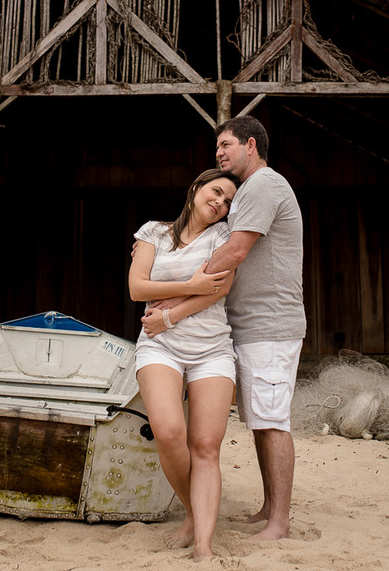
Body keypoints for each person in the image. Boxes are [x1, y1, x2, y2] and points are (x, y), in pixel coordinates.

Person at [129, 168, 239, 560]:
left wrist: (170, 314)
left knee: (206, 446)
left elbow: (220, 288)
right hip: (160, 345)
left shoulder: (224, 237)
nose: (220, 203)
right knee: (169, 431)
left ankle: (204, 547)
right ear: (196, 188)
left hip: (212, 348)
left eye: (227, 202)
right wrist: (189, 286)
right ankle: (194, 514)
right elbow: (137, 288)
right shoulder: (153, 233)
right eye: (216, 192)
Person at [205, 115, 305, 541]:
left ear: (251, 144)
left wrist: (183, 283)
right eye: (216, 149)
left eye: (225, 145)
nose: (219, 154)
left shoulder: (265, 185)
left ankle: (280, 522)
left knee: (272, 420)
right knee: (261, 421)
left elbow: (237, 250)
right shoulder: (250, 191)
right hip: (250, 325)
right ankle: (269, 508)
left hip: (271, 324)